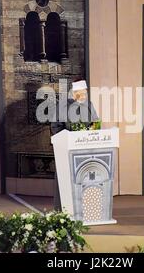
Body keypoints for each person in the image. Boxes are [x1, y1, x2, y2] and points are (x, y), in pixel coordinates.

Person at [50, 80, 99, 211]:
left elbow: (95, 123)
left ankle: (85, 209)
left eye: (85, 93)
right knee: (65, 181)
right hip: (66, 150)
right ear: (75, 93)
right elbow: (55, 127)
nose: (84, 95)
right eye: (81, 93)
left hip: (85, 151)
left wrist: (93, 132)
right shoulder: (62, 106)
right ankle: (62, 210)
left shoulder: (89, 105)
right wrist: (67, 139)